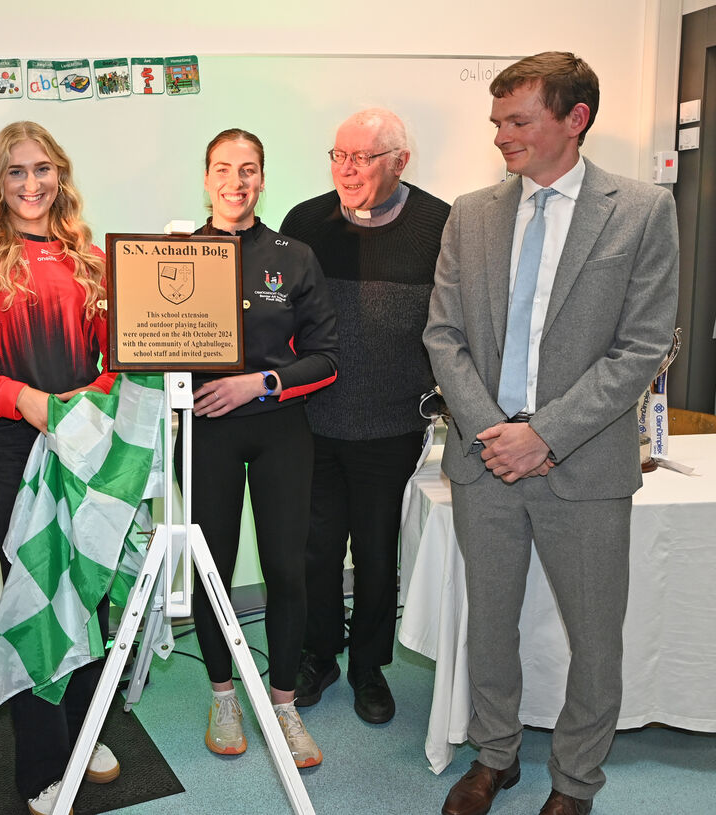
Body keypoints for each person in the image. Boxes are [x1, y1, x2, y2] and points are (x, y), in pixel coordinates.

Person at [424, 53, 679, 815]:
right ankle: (495, 754)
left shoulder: (639, 209)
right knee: (491, 625)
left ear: (576, 119)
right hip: (485, 461)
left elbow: (644, 345)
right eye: (497, 121)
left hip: (584, 465)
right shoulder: (471, 213)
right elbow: (444, 336)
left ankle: (576, 779)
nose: (501, 135)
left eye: (518, 120)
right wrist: (494, 430)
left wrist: (547, 434)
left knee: (595, 639)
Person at [0, 121, 120, 815]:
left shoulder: (91, 259)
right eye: (16, 172)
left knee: (93, 587)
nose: (32, 183)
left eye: (43, 169)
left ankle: (88, 731)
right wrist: (28, 401)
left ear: (60, 175)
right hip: (18, 446)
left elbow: (118, 360)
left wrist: (89, 396)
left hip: (88, 442)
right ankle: (43, 764)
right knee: (38, 596)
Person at [280, 108, 450, 724]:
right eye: (338, 156)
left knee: (378, 553)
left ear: (400, 162)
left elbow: (454, 322)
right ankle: (320, 654)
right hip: (313, 420)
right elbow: (278, 316)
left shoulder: (439, 224)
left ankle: (368, 667)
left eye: (362, 158)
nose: (346, 170)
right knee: (316, 550)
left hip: (392, 421)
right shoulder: (303, 222)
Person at [185, 129, 339, 768]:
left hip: (280, 429)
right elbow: (147, 344)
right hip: (208, 431)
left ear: (262, 179)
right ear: (206, 177)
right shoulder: (175, 254)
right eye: (224, 169)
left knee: (286, 568)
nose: (236, 182)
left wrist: (262, 381)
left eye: (248, 170)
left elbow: (328, 358)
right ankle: (223, 694)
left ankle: (283, 704)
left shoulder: (294, 256)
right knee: (211, 566)